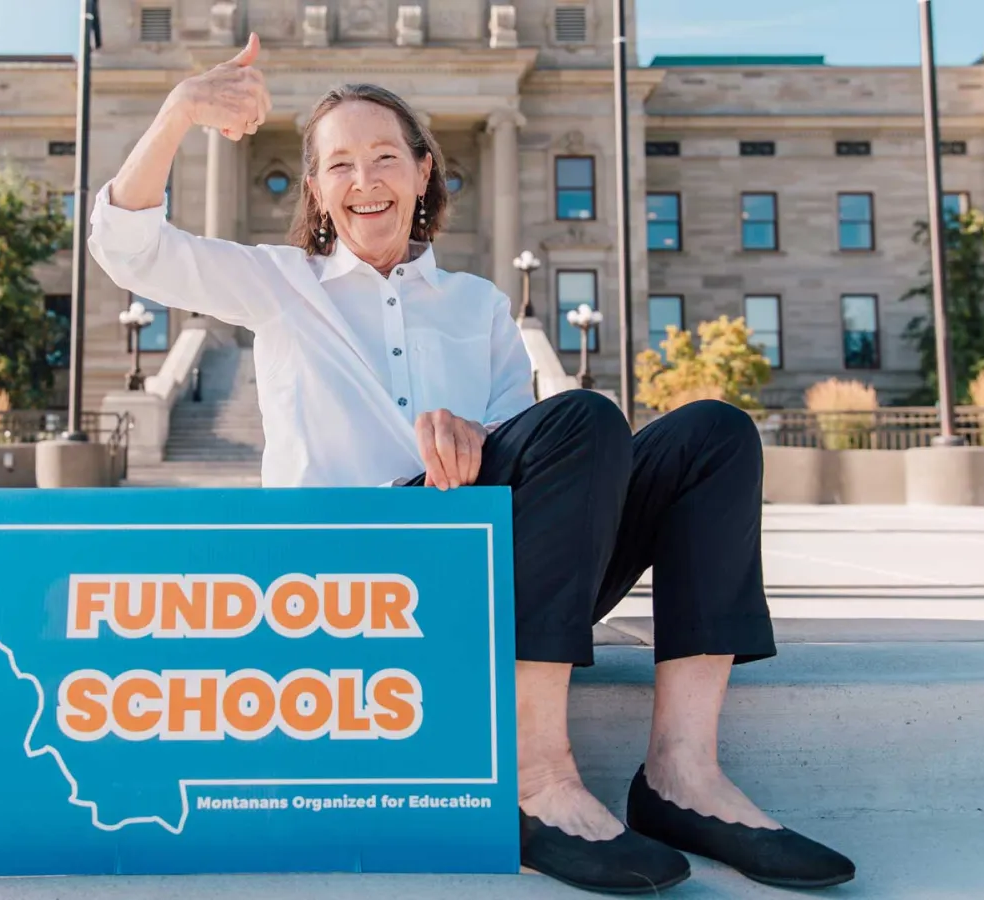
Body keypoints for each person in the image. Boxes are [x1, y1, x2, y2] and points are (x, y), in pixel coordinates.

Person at [89, 33, 854, 895]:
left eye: (385, 157)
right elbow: (130, 249)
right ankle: (534, 780)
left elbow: (551, 467)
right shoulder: (281, 284)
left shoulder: (477, 304)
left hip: (489, 566)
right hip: (360, 585)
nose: (364, 180)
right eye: (339, 164)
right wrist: (181, 110)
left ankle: (682, 777)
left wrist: (479, 438)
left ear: (425, 173)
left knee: (711, 434)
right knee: (586, 418)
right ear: (316, 190)